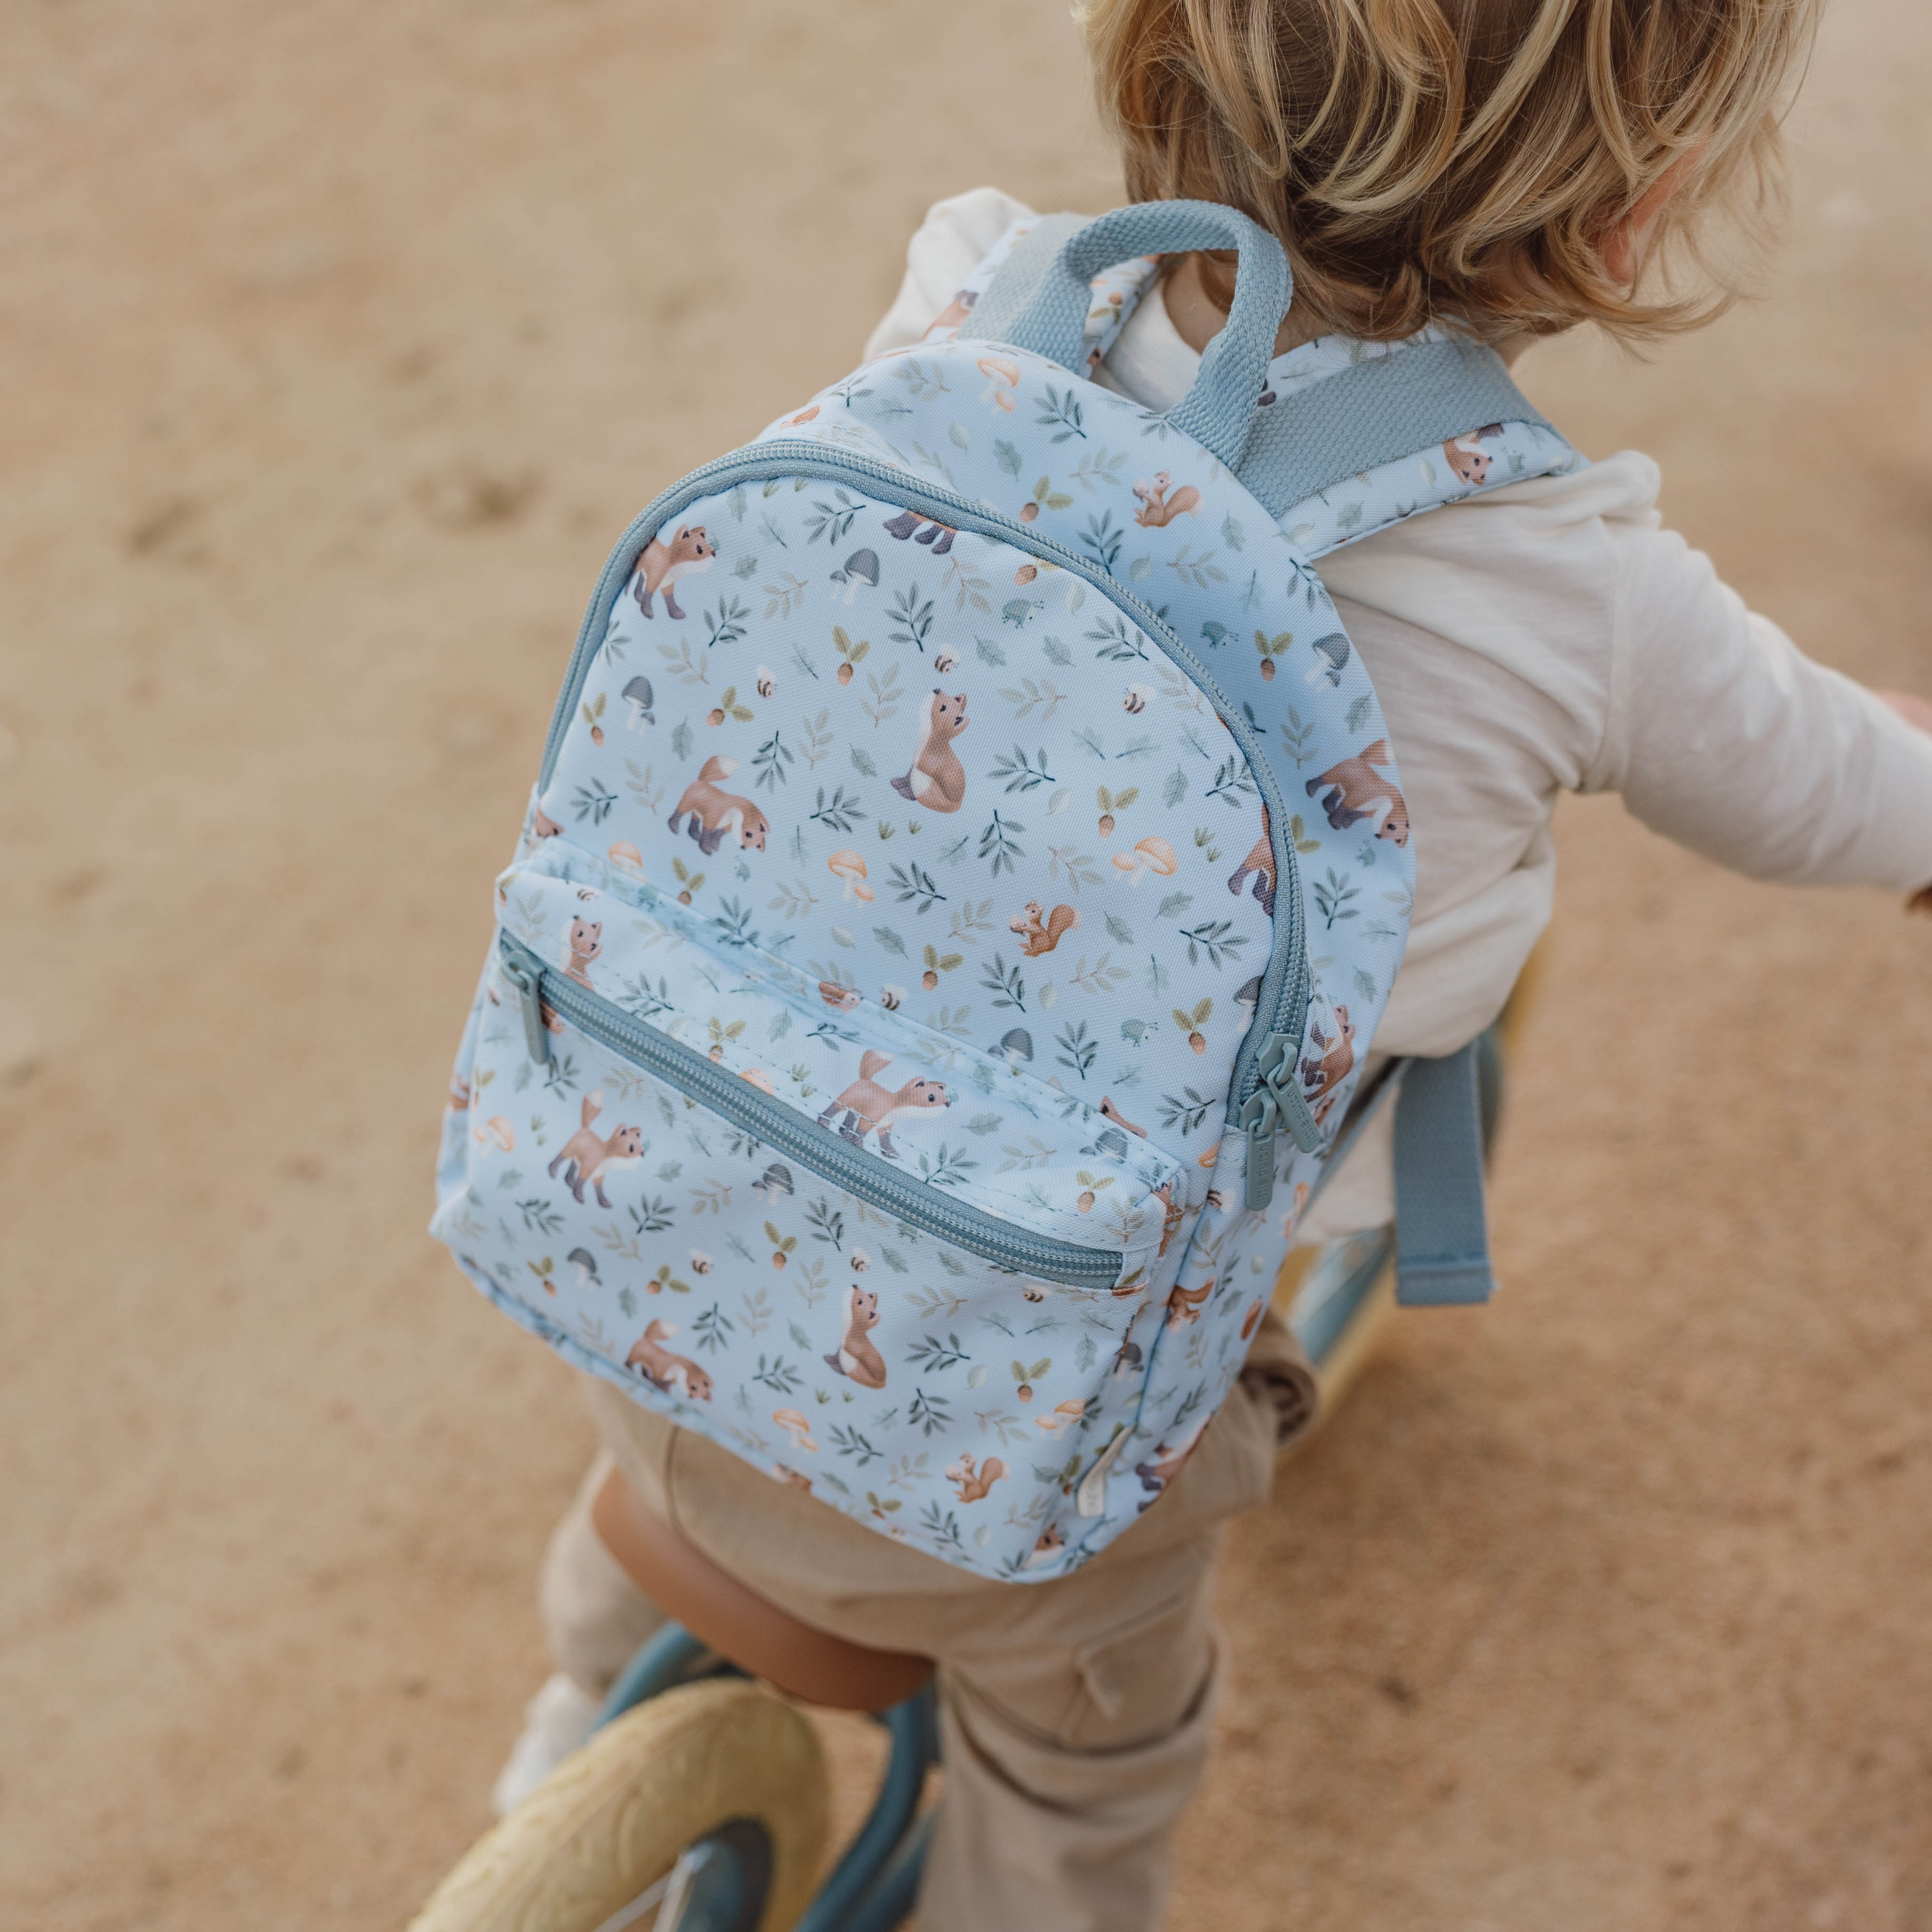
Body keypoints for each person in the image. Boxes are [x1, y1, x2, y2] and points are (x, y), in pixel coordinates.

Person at [490, 2, 1932, 1924]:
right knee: (1087, 1759)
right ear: (1628, 220)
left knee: (661, 1490)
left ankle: (568, 1735)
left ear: (1157, 57)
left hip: (653, 1253)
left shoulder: (974, 292)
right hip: (1053, 1454)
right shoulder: (1569, 577)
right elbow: (1821, 787)